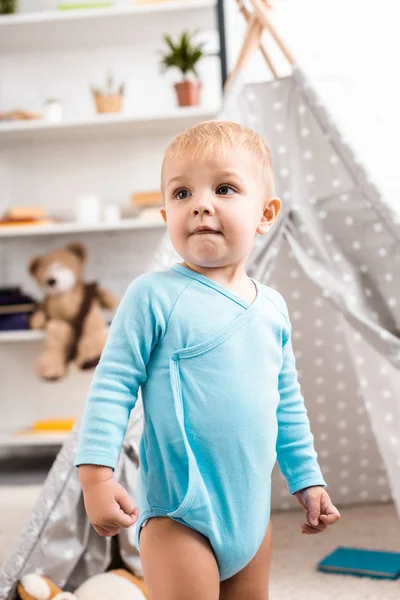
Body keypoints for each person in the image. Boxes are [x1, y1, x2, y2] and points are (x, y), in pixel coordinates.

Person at [75, 120, 341, 599]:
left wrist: (307, 479)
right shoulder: (153, 295)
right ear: (165, 215)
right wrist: (96, 478)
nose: (200, 203)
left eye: (224, 188)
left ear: (265, 213)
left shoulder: (272, 307)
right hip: (180, 513)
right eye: (181, 194)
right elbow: (112, 386)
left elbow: (286, 403)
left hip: (251, 515)